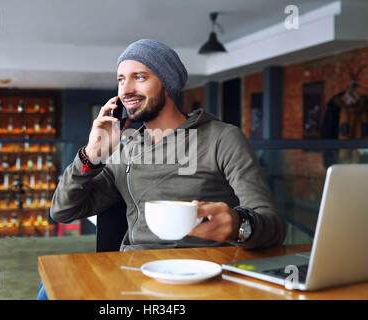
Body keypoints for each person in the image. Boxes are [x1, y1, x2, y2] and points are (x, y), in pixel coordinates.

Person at [37, 39, 286, 299]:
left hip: (203, 273)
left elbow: (273, 225)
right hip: (134, 271)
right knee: (50, 288)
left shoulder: (222, 138)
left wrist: (238, 225)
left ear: (166, 84)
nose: (127, 89)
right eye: (121, 80)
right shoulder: (126, 149)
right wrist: (91, 156)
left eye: (139, 77)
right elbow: (62, 211)